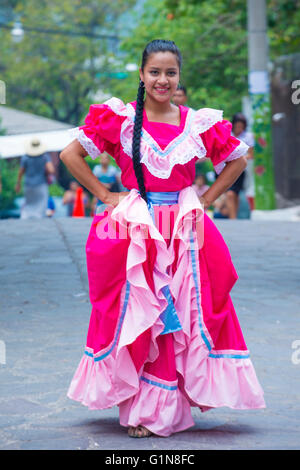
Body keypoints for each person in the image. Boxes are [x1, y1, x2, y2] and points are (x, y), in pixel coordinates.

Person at [60, 39, 265, 438]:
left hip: (184, 232)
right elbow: (70, 154)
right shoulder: (120, 119)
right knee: (142, 313)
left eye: (170, 72)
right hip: (135, 230)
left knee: (180, 315)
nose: (162, 80)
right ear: (141, 74)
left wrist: (206, 199)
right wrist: (103, 195)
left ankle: (165, 404)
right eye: (154, 71)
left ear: (179, 77)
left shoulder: (196, 123)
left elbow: (238, 158)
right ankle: (142, 406)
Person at [15, 138, 55, 219]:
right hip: (41, 184)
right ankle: (38, 220)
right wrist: (45, 172)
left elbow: (21, 172)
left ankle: (25, 217)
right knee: (41, 203)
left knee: (29, 203)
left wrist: (18, 184)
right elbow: (51, 170)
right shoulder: (44, 157)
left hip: (28, 185)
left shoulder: (25, 157)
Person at [225, 113, 255, 218]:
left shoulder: (248, 136)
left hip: (240, 170)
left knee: (233, 194)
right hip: (225, 168)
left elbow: (251, 155)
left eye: (241, 127)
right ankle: (233, 218)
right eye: (237, 126)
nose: (239, 129)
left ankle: (233, 219)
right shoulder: (228, 134)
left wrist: (238, 158)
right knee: (231, 194)